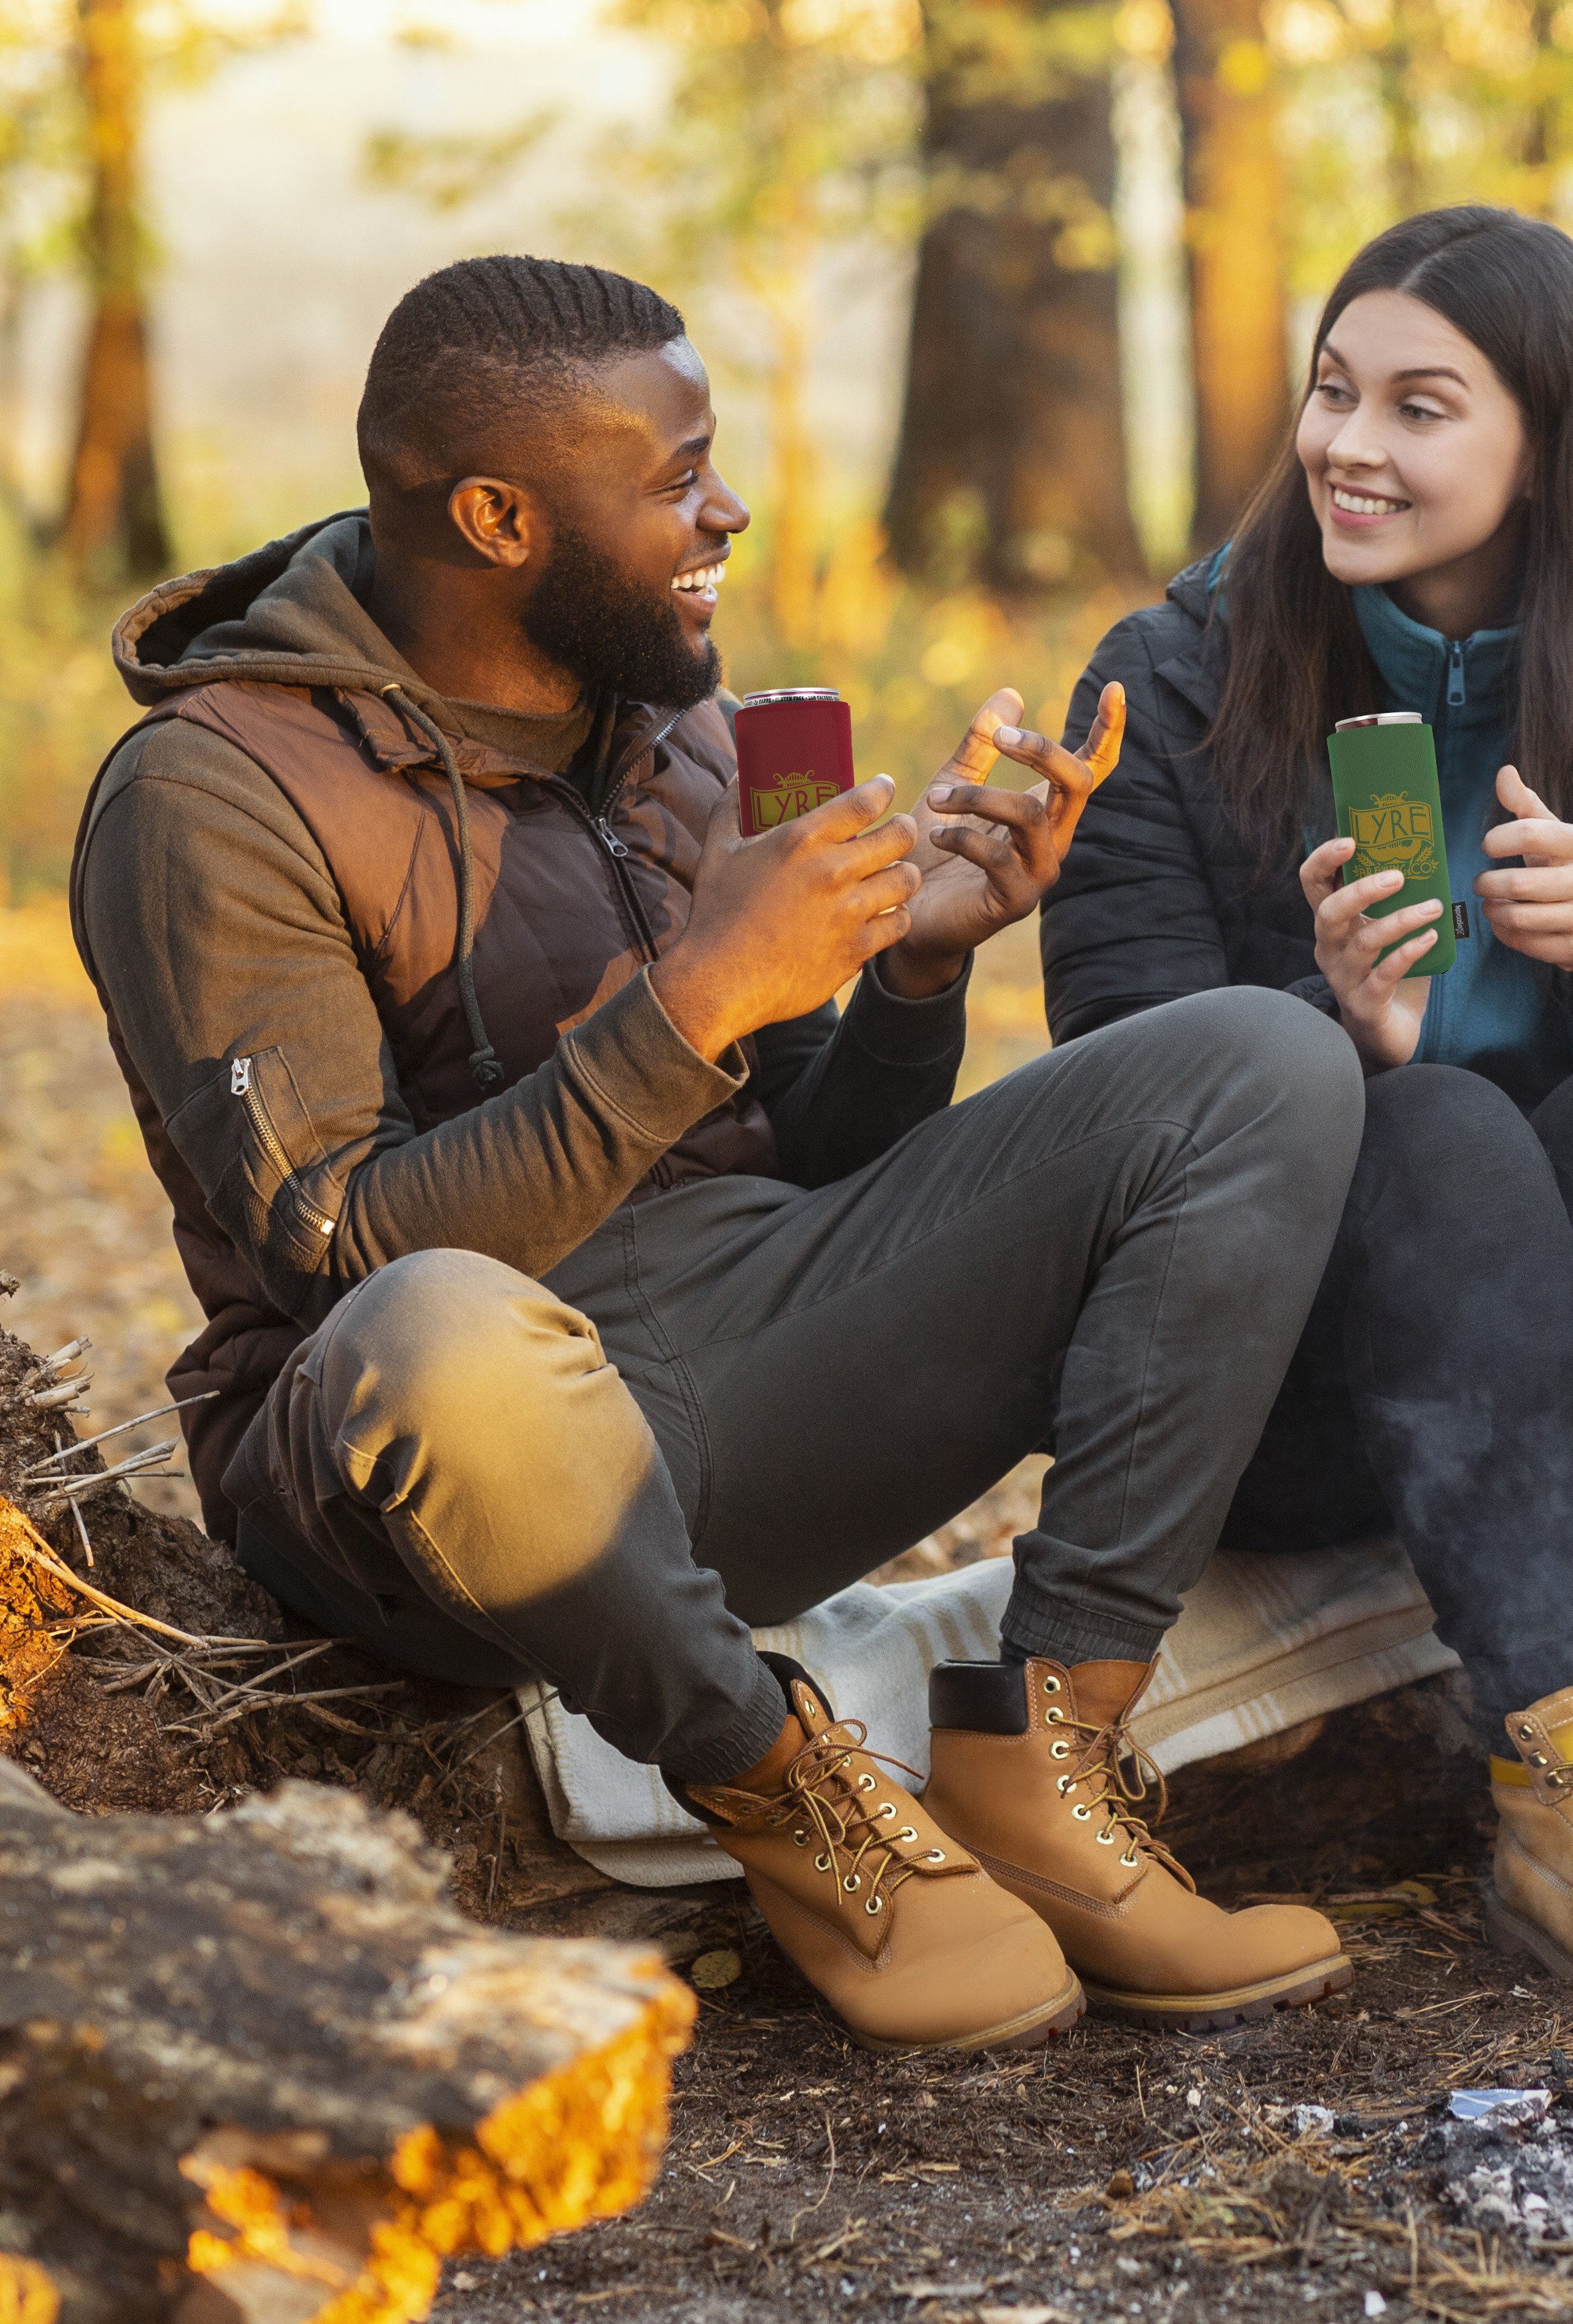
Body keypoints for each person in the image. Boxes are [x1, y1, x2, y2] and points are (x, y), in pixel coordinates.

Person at [71, 255, 1372, 2052]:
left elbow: (814, 1143)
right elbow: (335, 1254)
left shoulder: (680, 709)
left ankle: (1042, 1755)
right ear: (500, 516)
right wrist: (682, 1010)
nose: (728, 510)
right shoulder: (211, 794)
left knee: (1258, 1059)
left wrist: (909, 973)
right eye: (678, 476)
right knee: (440, 1331)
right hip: (454, 1475)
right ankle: (782, 1789)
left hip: (746, 1365)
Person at [1041, 207, 1573, 1992]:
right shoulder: (1169, 685)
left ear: (1549, 449)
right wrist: (1323, 1044)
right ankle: (1561, 1779)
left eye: (1420, 408)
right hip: (1284, 1397)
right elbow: (1102, 1113)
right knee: (1438, 1124)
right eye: (1335, 396)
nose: (1350, 449)